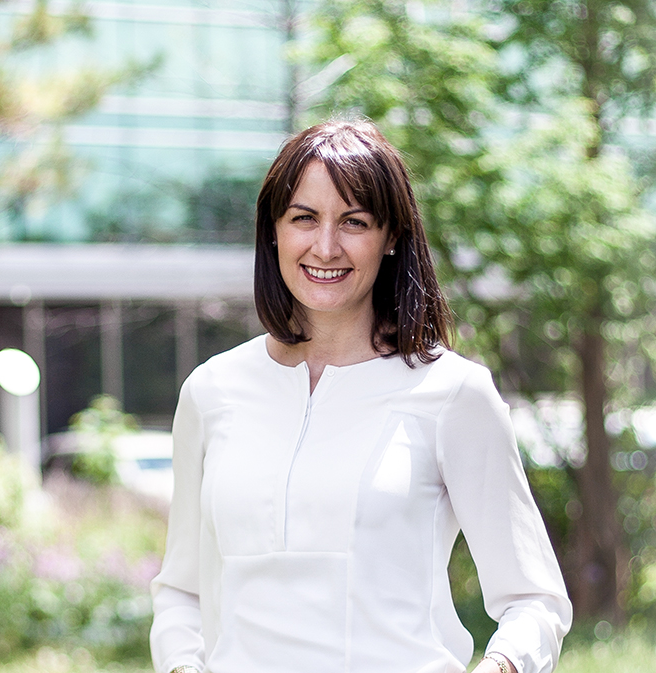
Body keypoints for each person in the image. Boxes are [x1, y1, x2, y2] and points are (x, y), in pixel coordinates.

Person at [149, 118, 572, 673]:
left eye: (354, 221)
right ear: (273, 230)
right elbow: (182, 590)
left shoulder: (453, 393)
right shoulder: (212, 391)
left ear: (391, 235)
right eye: (304, 218)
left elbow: (534, 600)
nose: (326, 246)